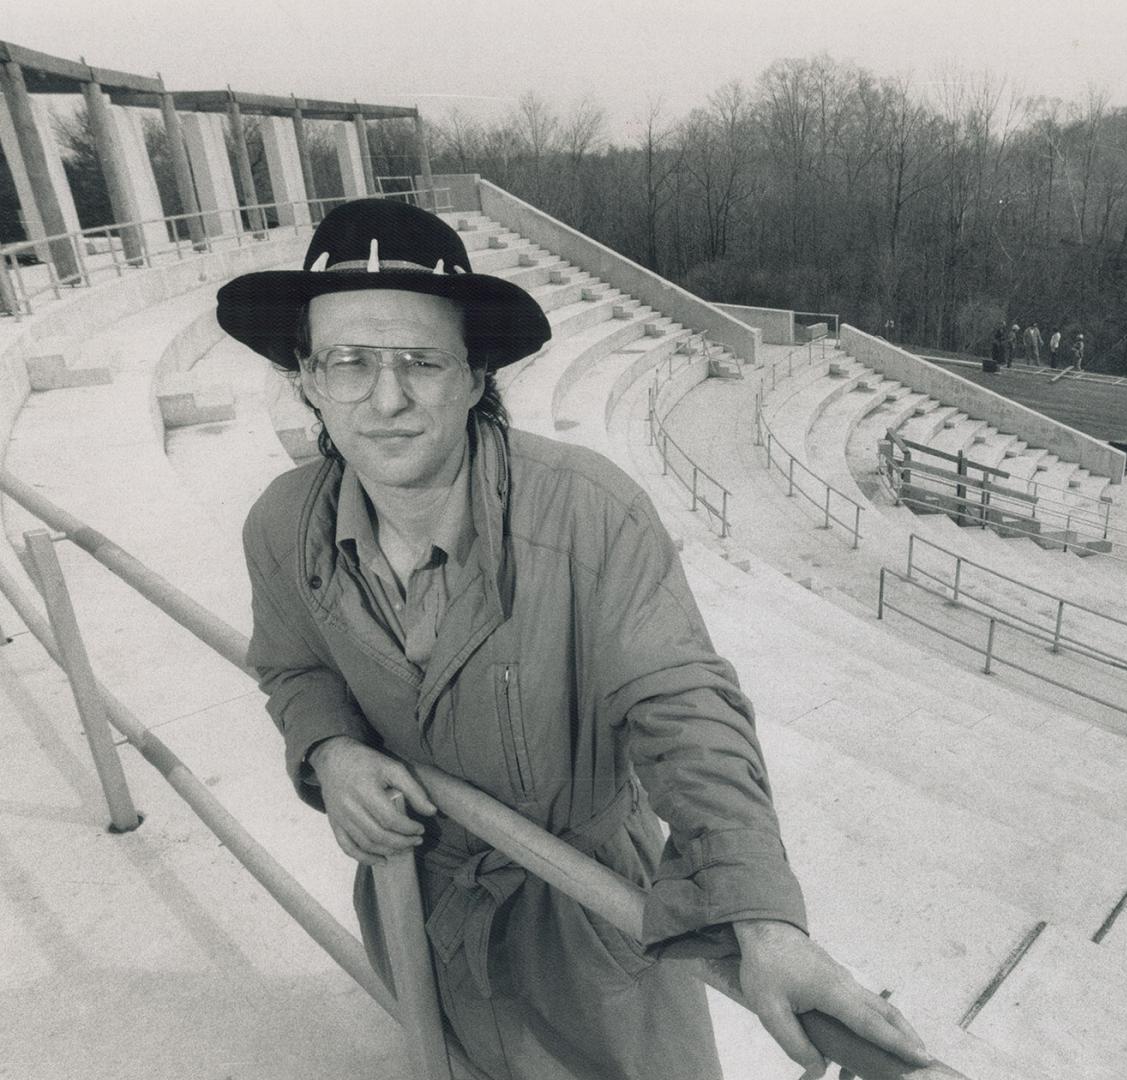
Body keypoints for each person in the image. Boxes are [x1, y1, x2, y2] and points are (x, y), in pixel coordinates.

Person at [218, 199, 931, 1080]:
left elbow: (684, 709)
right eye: (351, 363)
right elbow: (292, 665)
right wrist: (328, 749)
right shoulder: (282, 524)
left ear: (476, 375)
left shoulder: (591, 509)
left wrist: (764, 919)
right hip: (421, 912)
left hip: (594, 932)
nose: (387, 397)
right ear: (307, 380)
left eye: (420, 362)